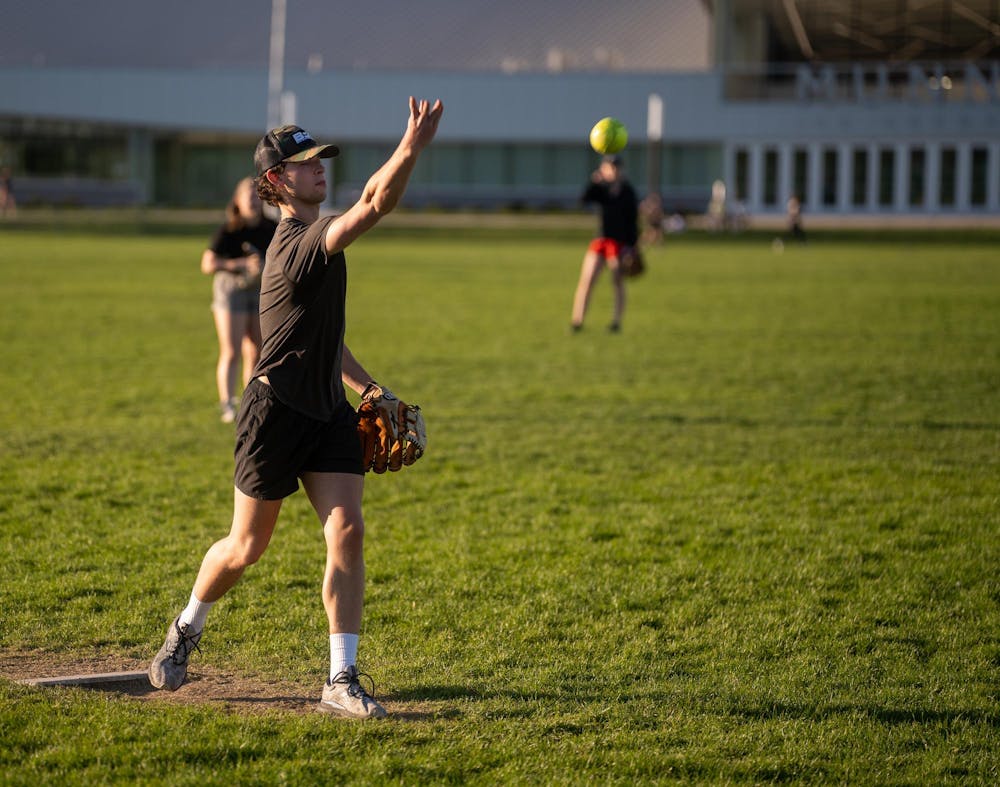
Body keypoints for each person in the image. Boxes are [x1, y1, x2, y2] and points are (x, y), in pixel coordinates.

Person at [149, 96, 444, 719]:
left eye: (321, 159)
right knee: (245, 547)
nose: (319, 168)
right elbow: (373, 204)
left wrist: (366, 389)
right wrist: (411, 148)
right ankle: (187, 626)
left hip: (326, 413)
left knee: (349, 530)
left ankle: (341, 677)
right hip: (275, 412)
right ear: (277, 181)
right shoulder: (297, 244)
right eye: (306, 162)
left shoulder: (316, 244)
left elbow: (324, 339)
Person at [201, 177, 277, 422]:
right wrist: (241, 264)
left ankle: (251, 400)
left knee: (256, 349)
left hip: (258, 290)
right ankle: (227, 404)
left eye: (257, 196)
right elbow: (208, 264)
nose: (253, 201)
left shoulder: (271, 227)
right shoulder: (230, 229)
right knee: (232, 350)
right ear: (237, 200)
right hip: (231, 291)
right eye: (248, 196)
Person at [570, 154, 639, 333]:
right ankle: (577, 321)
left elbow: (633, 222)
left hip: (619, 243)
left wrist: (632, 247)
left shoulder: (627, 191)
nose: (613, 171)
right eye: (609, 167)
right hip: (601, 240)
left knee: (617, 281)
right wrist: (594, 182)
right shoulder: (602, 189)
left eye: (616, 167)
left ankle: (616, 322)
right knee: (586, 280)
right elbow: (583, 201)